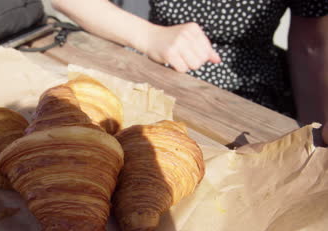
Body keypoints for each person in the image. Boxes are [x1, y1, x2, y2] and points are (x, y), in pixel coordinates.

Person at [51, 0, 328, 145]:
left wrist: (314, 133)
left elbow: (312, 47)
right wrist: (148, 36)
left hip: (250, 94)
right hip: (155, 70)